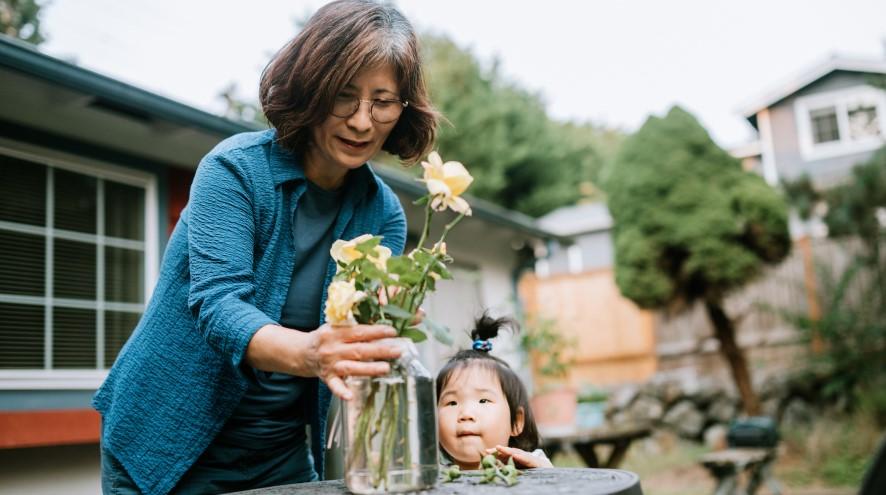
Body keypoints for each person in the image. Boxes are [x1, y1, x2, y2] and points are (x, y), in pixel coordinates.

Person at [93, 1, 438, 494]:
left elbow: (357, 345)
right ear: (311, 88)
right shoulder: (234, 171)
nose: (362, 122)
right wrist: (310, 354)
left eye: (383, 102)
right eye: (344, 96)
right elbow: (218, 306)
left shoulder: (383, 215)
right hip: (164, 442)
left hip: (280, 455)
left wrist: (388, 323)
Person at [436, 313, 554, 470]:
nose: (466, 414)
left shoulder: (529, 464)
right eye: (452, 402)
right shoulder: (435, 476)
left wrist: (540, 469)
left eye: (483, 400)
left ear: (516, 422)